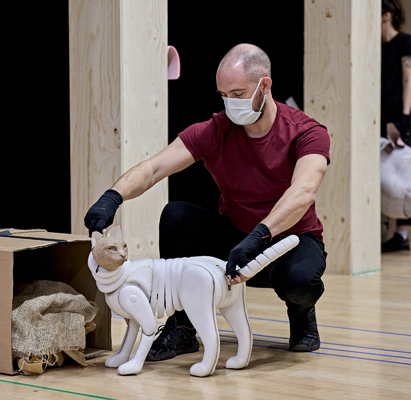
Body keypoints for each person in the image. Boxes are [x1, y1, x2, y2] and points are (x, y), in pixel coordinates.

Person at [85, 43, 330, 361]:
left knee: (301, 282)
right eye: (223, 95)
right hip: (234, 237)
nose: (230, 104)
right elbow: (154, 167)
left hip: (289, 240)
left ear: (264, 86)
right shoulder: (216, 131)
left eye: (238, 93)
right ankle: (183, 327)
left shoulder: (306, 132)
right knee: (176, 216)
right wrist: (112, 197)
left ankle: (301, 314)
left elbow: (303, 192)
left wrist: (259, 235)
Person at [380, 0, 411, 253]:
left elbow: (409, 81)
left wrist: (404, 118)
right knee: (383, 173)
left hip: (397, 117)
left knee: (402, 172)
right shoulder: (377, 47)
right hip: (377, 117)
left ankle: (402, 234)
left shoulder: (405, 41)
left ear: (387, 15)